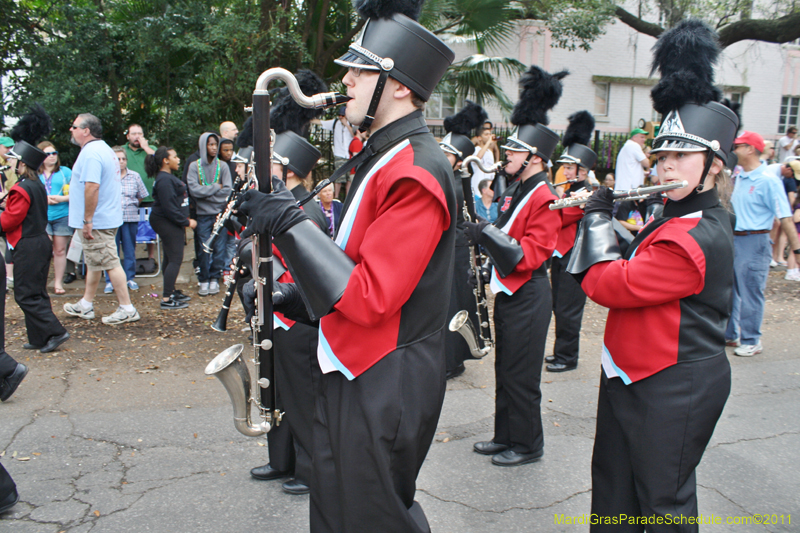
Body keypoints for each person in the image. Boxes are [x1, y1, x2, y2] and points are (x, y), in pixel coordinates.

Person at [237, 2, 456, 528]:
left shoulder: (417, 169)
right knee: (335, 511)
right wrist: (299, 300)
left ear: (400, 86)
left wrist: (287, 223)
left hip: (385, 378)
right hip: (355, 365)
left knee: (372, 518)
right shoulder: (381, 155)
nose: (346, 80)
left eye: (361, 70)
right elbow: (353, 264)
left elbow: (371, 295)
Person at [567, 20, 740, 530]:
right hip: (633, 372)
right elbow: (640, 252)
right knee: (616, 494)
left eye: (680, 157)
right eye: (661, 156)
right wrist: (613, 226)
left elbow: (609, 285)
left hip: (674, 383)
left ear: (713, 166)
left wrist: (597, 221)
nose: (665, 169)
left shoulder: (697, 235)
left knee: (662, 505)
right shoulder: (675, 214)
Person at [465, 65, 568, 467]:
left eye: (514, 151)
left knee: (523, 376)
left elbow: (531, 253)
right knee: (507, 369)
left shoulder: (543, 195)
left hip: (530, 292)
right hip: (511, 292)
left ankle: (527, 444)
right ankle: (504, 434)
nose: (506, 155)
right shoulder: (517, 188)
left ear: (534, 158)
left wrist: (485, 234)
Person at [249, 117, 329, 496]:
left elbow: (310, 270)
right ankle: (281, 459)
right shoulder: (287, 202)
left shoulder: (306, 210)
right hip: (278, 313)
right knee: (279, 391)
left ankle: (309, 469)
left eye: (272, 163)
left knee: (302, 395)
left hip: (297, 315)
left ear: (290, 170)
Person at [726, 130, 800, 356]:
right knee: (731, 291)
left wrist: (796, 249)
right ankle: (730, 335)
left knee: (750, 292)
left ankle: (751, 340)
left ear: (750, 149)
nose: (734, 150)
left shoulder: (768, 181)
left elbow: (785, 217)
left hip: (755, 240)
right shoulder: (738, 177)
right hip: (734, 239)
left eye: (737, 146)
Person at [63, 113, 140, 325]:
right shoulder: (103, 149)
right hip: (104, 217)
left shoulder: (92, 153)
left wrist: (87, 219)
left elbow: (92, 186)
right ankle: (86, 304)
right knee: (95, 261)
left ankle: (127, 308)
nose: (72, 130)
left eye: (74, 126)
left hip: (97, 221)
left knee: (110, 262)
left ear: (86, 130)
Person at [438, 100, 491, 379]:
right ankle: (454, 358)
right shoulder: (454, 177)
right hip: (456, 249)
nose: (441, 155)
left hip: (454, 250)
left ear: (458, 158)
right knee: (453, 304)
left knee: (453, 305)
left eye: (447, 152)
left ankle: (450, 360)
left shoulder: (453, 180)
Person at [1, 141, 70, 353]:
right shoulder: (36, 184)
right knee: (36, 291)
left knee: (25, 294)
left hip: (28, 243)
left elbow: (10, 221)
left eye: (13, 159)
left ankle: (55, 332)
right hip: (39, 240)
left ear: (22, 164)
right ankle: (39, 337)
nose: (10, 162)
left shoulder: (21, 189)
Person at [547, 110, 597, 373]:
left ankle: (567, 356)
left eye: (569, 167)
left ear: (583, 170)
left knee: (568, 310)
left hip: (575, 258)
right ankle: (560, 351)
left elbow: (561, 216)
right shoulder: (570, 190)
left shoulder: (585, 193)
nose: (564, 171)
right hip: (561, 255)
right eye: (564, 166)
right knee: (559, 306)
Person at [147, 147, 195, 309]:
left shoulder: (166, 178)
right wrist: (186, 222)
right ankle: (167, 299)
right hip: (166, 221)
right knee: (175, 258)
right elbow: (169, 207)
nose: (178, 159)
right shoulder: (164, 180)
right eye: (175, 156)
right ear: (165, 161)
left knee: (170, 257)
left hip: (171, 221)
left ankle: (171, 290)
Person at [186, 132, 232, 296]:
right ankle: (204, 279)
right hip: (202, 215)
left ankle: (214, 278)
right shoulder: (194, 166)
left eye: (215, 144)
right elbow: (194, 190)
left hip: (219, 213)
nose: (213, 148)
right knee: (204, 248)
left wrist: (207, 194)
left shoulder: (223, 166)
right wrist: (215, 188)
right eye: (210, 144)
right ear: (203, 145)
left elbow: (227, 190)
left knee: (220, 248)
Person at [103, 146, 147, 294]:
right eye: (117, 159)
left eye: (123, 159)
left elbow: (141, 195)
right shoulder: (106, 176)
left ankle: (129, 278)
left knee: (129, 250)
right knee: (111, 251)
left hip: (129, 218)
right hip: (110, 220)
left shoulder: (134, 176)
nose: (121, 161)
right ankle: (110, 281)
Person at [37, 141, 72, 295]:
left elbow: (76, 194)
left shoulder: (66, 172)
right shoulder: (34, 173)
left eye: (54, 153)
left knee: (59, 250)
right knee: (44, 249)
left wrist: (61, 199)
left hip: (62, 214)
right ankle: (41, 282)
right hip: (41, 215)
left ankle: (58, 282)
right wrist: (43, 199)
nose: (52, 156)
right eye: (48, 154)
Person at [125, 124, 157, 261]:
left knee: (150, 229)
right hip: (129, 198)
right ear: (128, 136)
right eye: (133, 134)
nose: (137, 136)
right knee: (130, 230)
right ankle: (130, 257)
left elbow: (161, 161)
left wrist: (145, 148)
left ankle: (150, 257)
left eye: (140, 133)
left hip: (150, 196)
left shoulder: (151, 149)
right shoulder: (122, 150)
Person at [319, 105, 354, 198]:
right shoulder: (335, 123)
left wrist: (346, 124)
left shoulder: (351, 124)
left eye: (343, 115)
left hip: (349, 154)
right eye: (340, 115)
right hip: (339, 154)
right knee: (339, 178)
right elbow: (321, 123)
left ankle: (348, 198)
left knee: (349, 179)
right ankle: (336, 197)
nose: (340, 117)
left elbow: (355, 134)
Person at [470, 123, 497, 197]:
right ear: (479, 138)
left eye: (490, 134)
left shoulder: (490, 152)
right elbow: (478, 157)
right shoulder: (476, 149)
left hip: (488, 184)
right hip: (477, 183)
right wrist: (488, 142)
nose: (489, 136)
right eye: (486, 134)